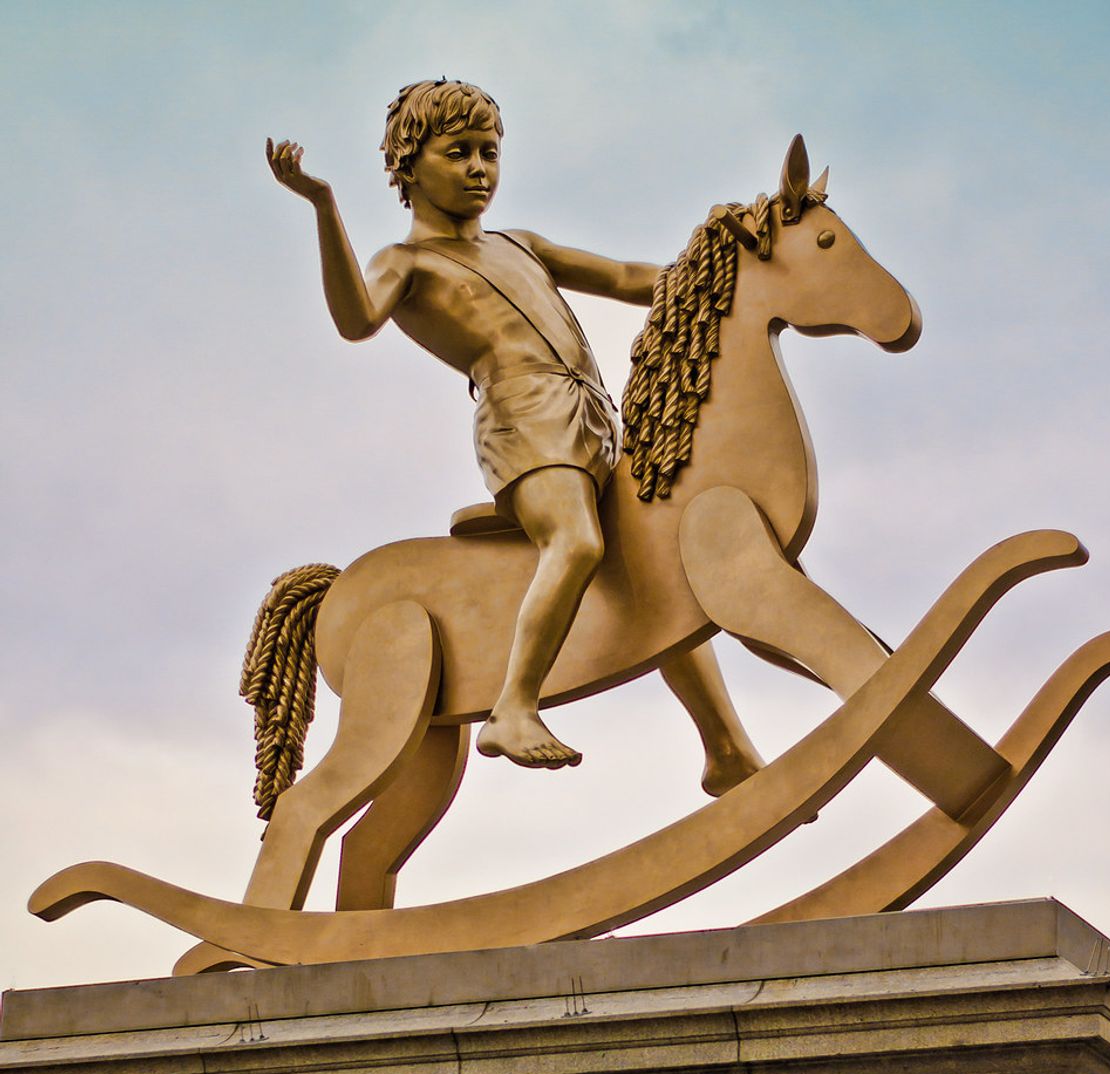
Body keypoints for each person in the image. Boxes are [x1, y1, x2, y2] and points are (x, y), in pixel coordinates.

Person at [267, 78, 761, 787]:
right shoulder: (403, 264)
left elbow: (628, 275)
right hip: (521, 414)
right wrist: (322, 206)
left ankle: (726, 747)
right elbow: (354, 319)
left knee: (651, 568)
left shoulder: (520, 245)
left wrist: (726, 261)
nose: (479, 169)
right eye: (458, 152)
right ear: (409, 165)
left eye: (489, 153)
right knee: (579, 540)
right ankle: (514, 708)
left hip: (592, 410)